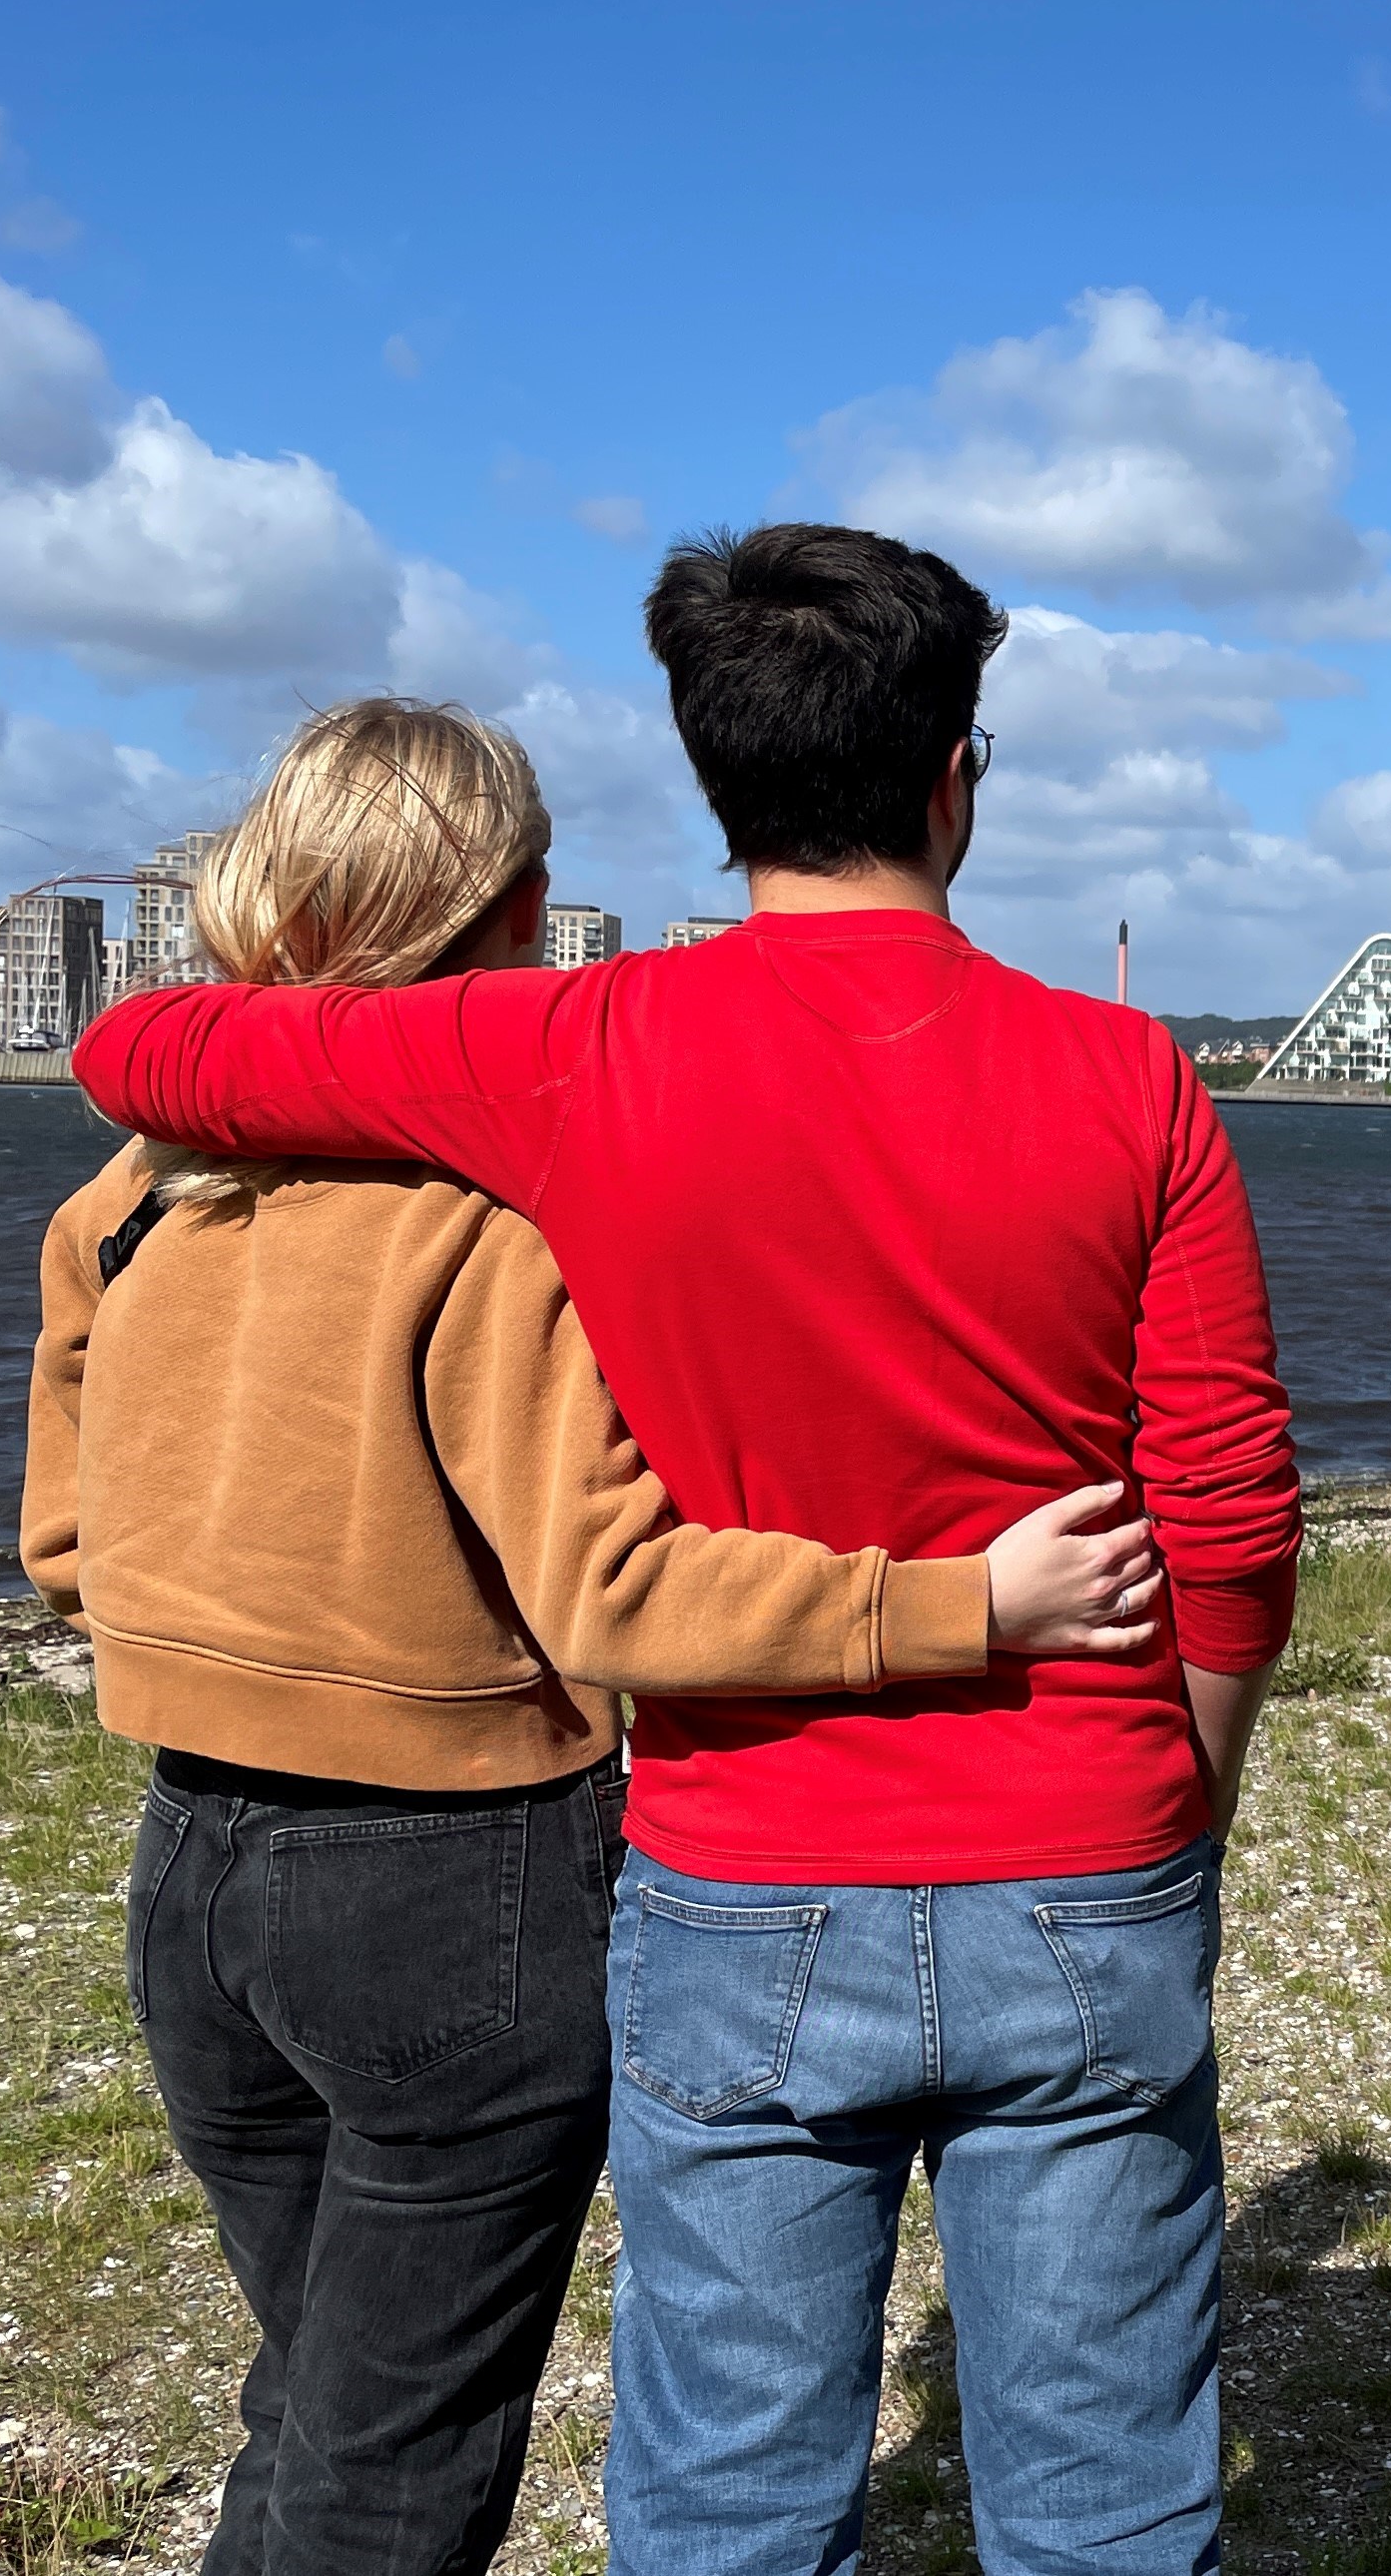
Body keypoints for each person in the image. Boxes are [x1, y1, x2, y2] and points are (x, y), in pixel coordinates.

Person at [74, 528, 1301, 2576]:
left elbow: (145, 1055)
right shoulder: (1128, 1072)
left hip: (745, 1871)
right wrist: (1188, 1804)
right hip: (1083, 1839)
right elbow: (1231, 1513)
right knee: (1105, 2501)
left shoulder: (574, 1046)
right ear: (954, 776)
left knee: (733, 2495)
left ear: (715, 781)